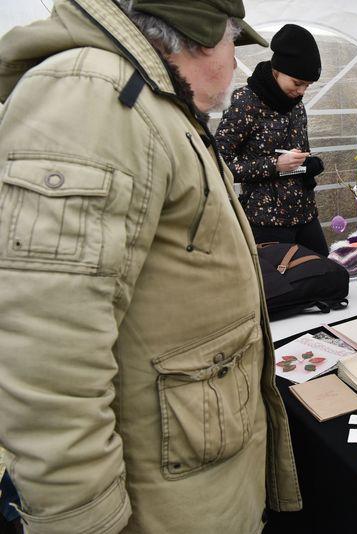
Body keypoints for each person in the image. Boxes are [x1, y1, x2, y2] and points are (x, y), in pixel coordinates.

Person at [0, 1, 301, 532]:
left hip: (188, 465)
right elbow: (45, 343)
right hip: (157, 495)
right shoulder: (97, 97)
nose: (235, 66)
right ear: (199, 38)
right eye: (234, 45)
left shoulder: (146, 101)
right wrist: (84, 519)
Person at [216, 24, 328, 255]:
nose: (302, 92)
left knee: (324, 275)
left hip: (305, 214)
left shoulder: (296, 105)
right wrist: (274, 165)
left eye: (308, 85)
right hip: (266, 221)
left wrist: (307, 166)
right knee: (281, 288)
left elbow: (297, 154)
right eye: (298, 83)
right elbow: (218, 164)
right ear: (277, 70)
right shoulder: (244, 103)